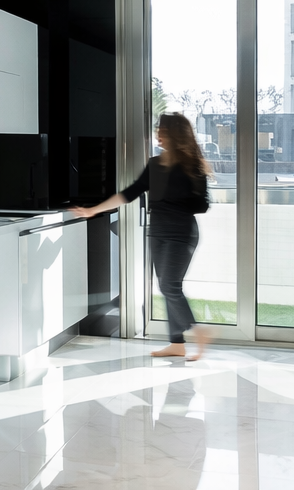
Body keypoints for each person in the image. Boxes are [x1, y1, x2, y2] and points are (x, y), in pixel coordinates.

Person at [71, 113, 213, 360]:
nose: (158, 134)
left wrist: (176, 198)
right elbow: (130, 193)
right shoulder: (154, 164)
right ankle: (177, 344)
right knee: (167, 286)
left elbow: (202, 205)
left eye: (163, 130)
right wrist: (93, 210)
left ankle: (198, 330)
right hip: (157, 232)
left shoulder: (192, 165)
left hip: (182, 233)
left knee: (169, 285)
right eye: (158, 129)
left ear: (175, 134)